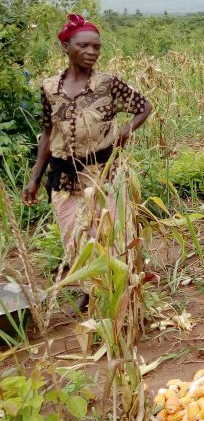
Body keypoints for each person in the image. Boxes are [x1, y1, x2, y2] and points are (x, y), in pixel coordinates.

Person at [21, 14, 153, 260]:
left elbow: (144, 107)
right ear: (65, 46)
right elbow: (48, 134)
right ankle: (85, 282)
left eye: (96, 47)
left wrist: (127, 130)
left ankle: (117, 282)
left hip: (104, 176)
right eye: (83, 45)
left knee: (113, 241)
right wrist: (35, 177)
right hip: (64, 179)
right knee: (75, 244)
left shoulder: (108, 85)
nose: (92, 52)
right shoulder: (50, 88)